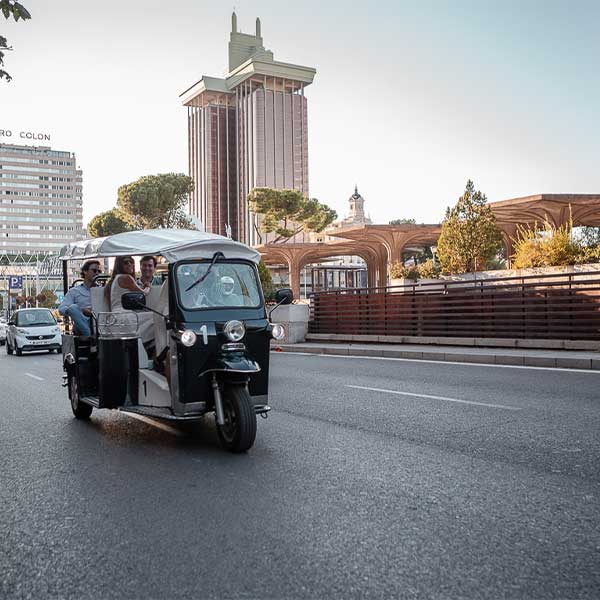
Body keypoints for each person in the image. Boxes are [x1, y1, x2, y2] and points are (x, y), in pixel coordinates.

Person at [104, 256, 155, 351]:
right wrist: (147, 286)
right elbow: (143, 293)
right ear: (119, 265)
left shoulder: (116, 279)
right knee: (157, 318)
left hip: (117, 318)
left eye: (131, 262)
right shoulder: (125, 277)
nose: (130, 264)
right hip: (124, 317)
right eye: (126, 263)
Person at [58, 260, 102, 336]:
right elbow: (61, 309)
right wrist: (80, 310)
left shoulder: (102, 290)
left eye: (99, 271)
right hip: (83, 321)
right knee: (73, 307)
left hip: (100, 321)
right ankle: (90, 336)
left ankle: (92, 336)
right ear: (85, 271)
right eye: (94, 270)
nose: (97, 273)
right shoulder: (75, 291)